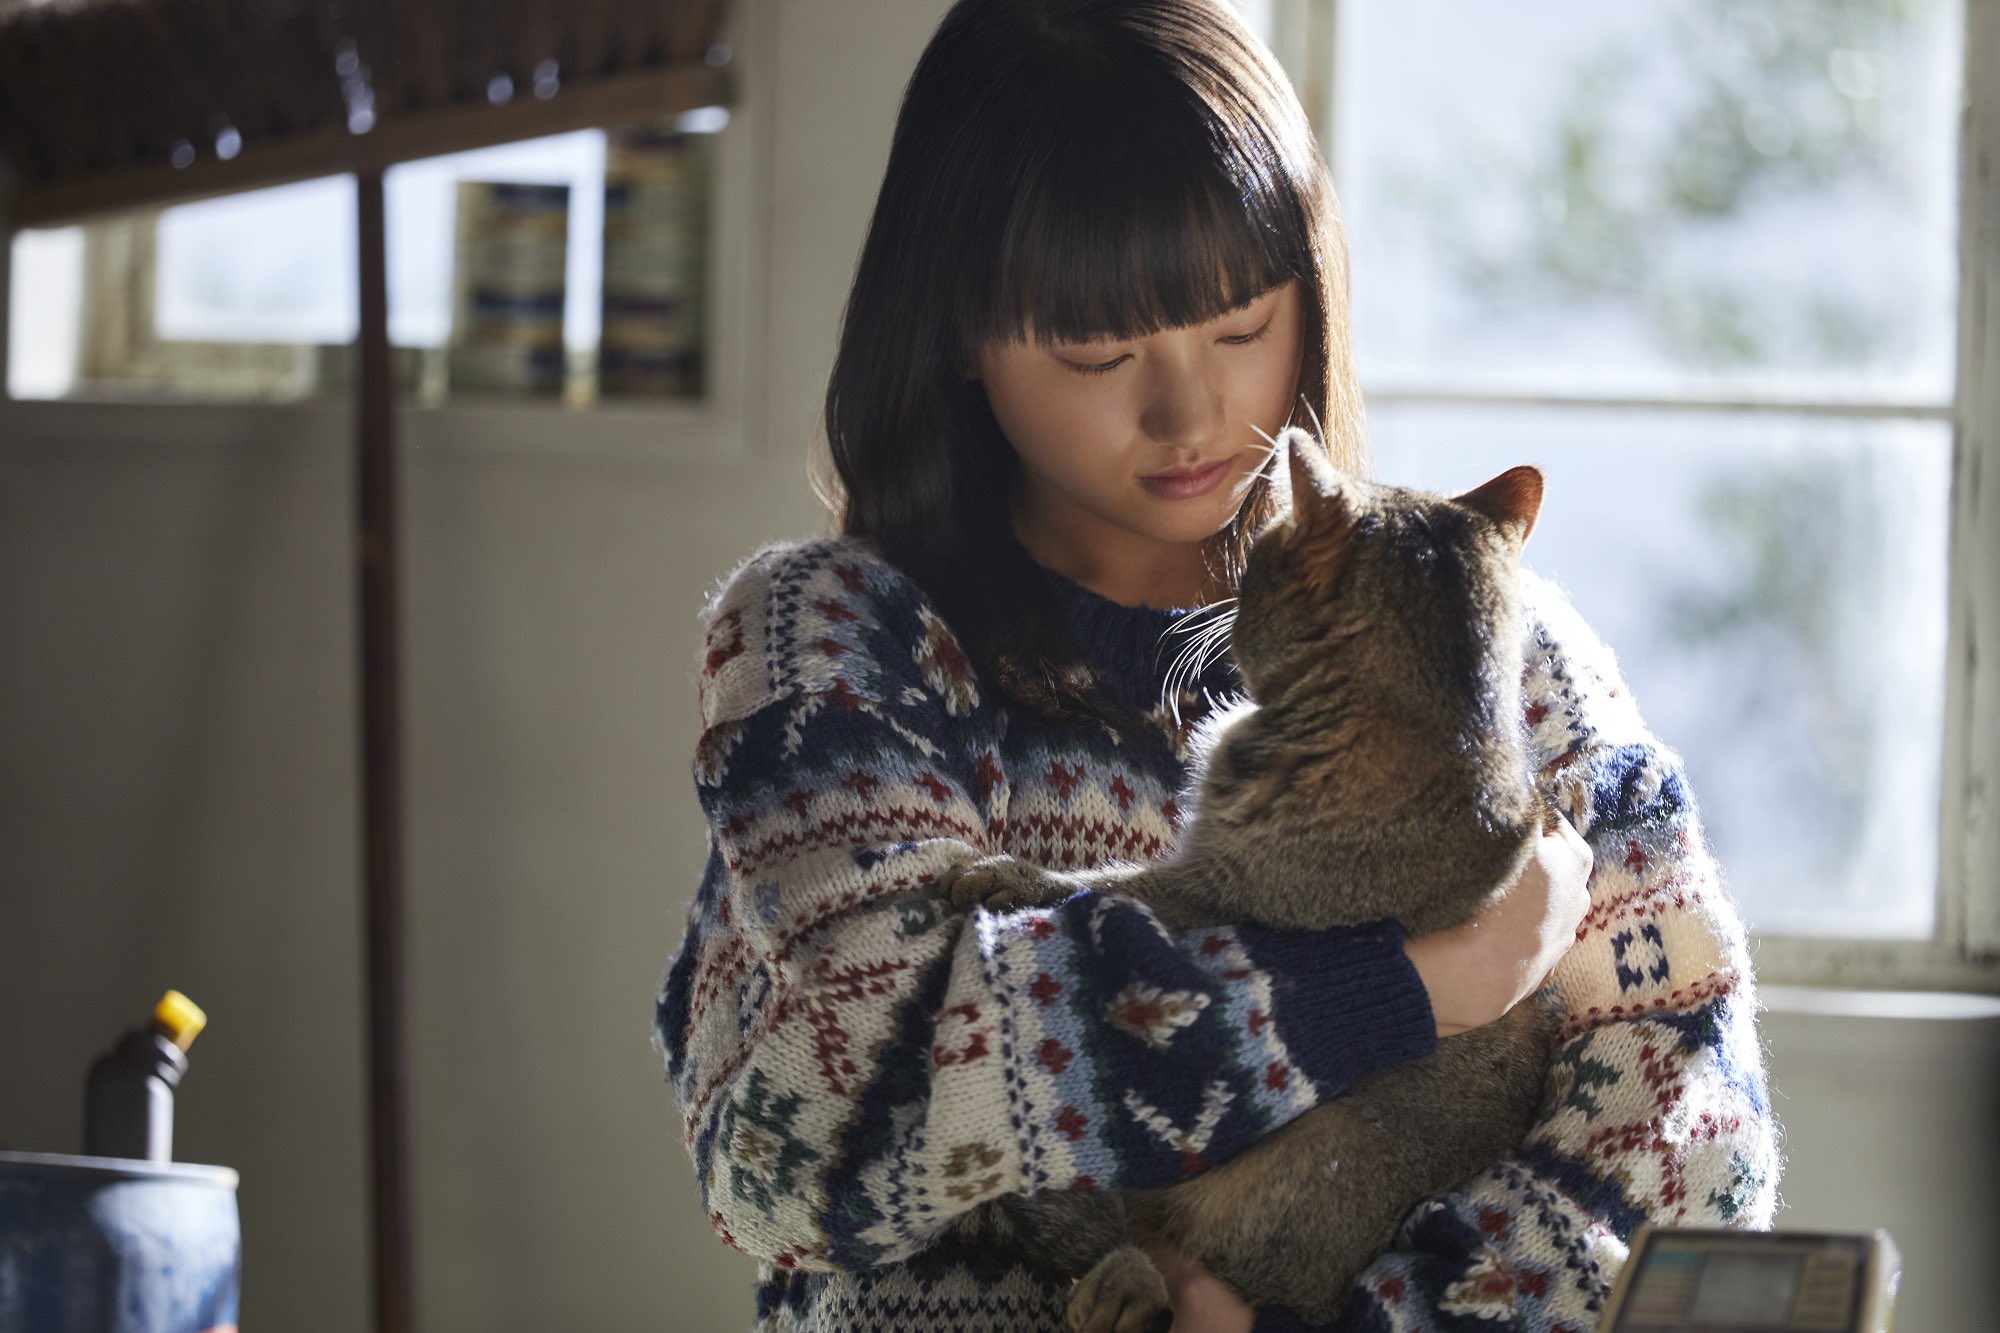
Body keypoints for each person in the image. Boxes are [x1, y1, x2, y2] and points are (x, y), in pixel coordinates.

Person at [655, 1, 1779, 1329]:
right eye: (1098, 352)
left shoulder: (1512, 670)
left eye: (1242, 328)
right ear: (957, 329)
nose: (1193, 417)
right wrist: (1405, 988)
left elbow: (1695, 1147)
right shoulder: (840, 649)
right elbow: (807, 1135)